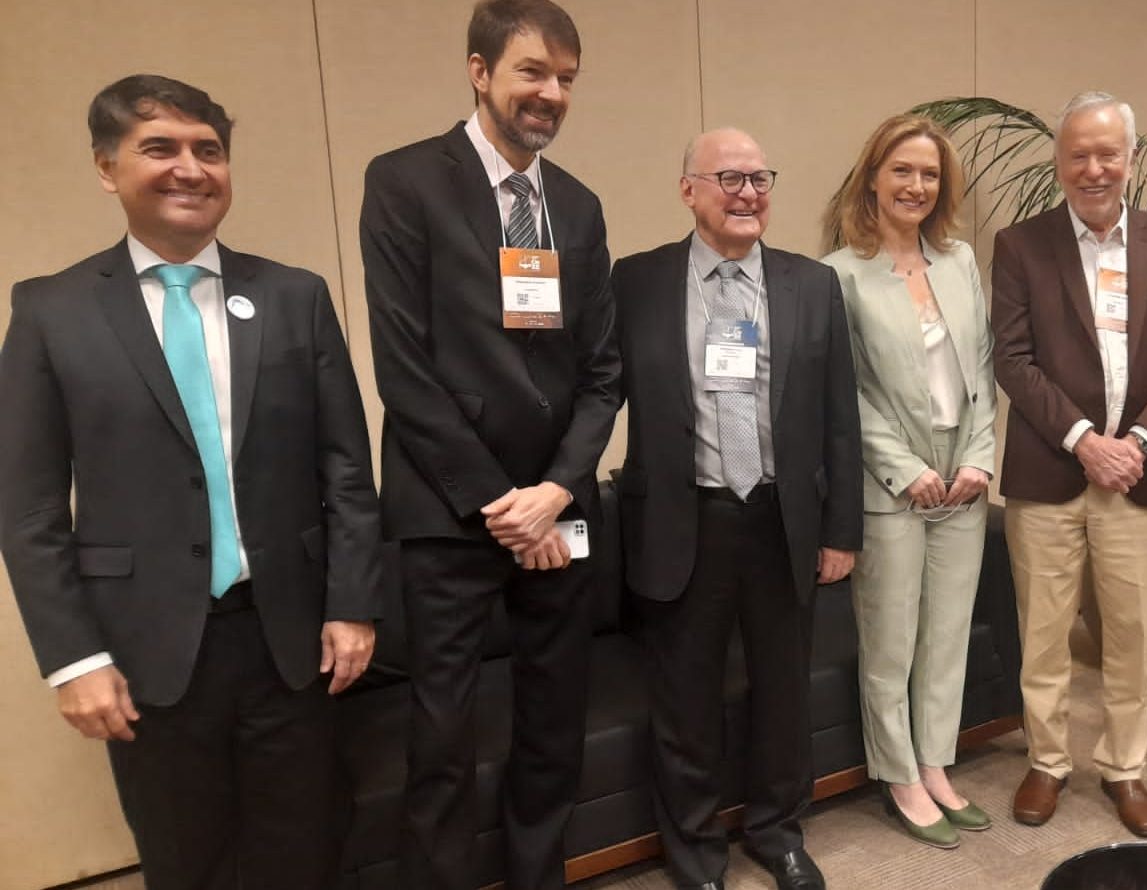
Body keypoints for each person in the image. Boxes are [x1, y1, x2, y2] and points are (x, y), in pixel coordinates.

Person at [0, 74, 382, 889]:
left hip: (291, 639)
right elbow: (29, 507)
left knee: (307, 851)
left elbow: (347, 470)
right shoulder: (50, 313)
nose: (190, 169)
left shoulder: (295, 297)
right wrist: (72, 659)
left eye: (209, 150)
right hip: (147, 649)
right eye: (160, 148)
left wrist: (353, 604)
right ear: (107, 167)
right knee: (186, 861)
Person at [358, 1, 621, 887]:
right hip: (451, 509)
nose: (552, 93)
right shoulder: (404, 182)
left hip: (557, 507)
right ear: (479, 71)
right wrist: (500, 502)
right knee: (441, 733)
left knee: (553, 720)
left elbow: (602, 373)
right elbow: (403, 370)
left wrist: (556, 490)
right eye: (533, 71)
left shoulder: (577, 206)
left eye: (567, 78)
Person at [611, 128, 862, 890]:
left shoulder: (812, 284)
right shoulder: (637, 281)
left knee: (783, 692)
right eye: (729, 178)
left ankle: (778, 832)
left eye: (760, 179)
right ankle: (694, 853)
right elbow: (597, 390)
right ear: (688, 190)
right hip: (685, 519)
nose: (748, 193)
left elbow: (840, 417)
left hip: (784, 520)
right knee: (685, 700)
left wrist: (841, 530)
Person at [990, 91, 1147, 837]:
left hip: (1140, 476)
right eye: (1078, 154)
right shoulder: (1021, 245)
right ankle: (1047, 762)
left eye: (1107, 153)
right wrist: (1085, 440)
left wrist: (1137, 443)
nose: (1093, 168)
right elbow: (1013, 360)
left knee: (1132, 634)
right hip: (1049, 472)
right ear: (1058, 162)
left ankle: (1124, 768)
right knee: (1043, 634)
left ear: (1131, 159)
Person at [818, 114, 996, 849]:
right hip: (890, 482)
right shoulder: (839, 273)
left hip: (964, 479)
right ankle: (899, 775)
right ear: (872, 178)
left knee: (947, 636)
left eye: (929, 174)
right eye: (902, 171)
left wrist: (980, 456)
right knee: (891, 641)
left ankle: (935, 763)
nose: (916, 186)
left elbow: (981, 366)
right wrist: (905, 467)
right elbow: (843, 393)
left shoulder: (959, 260)